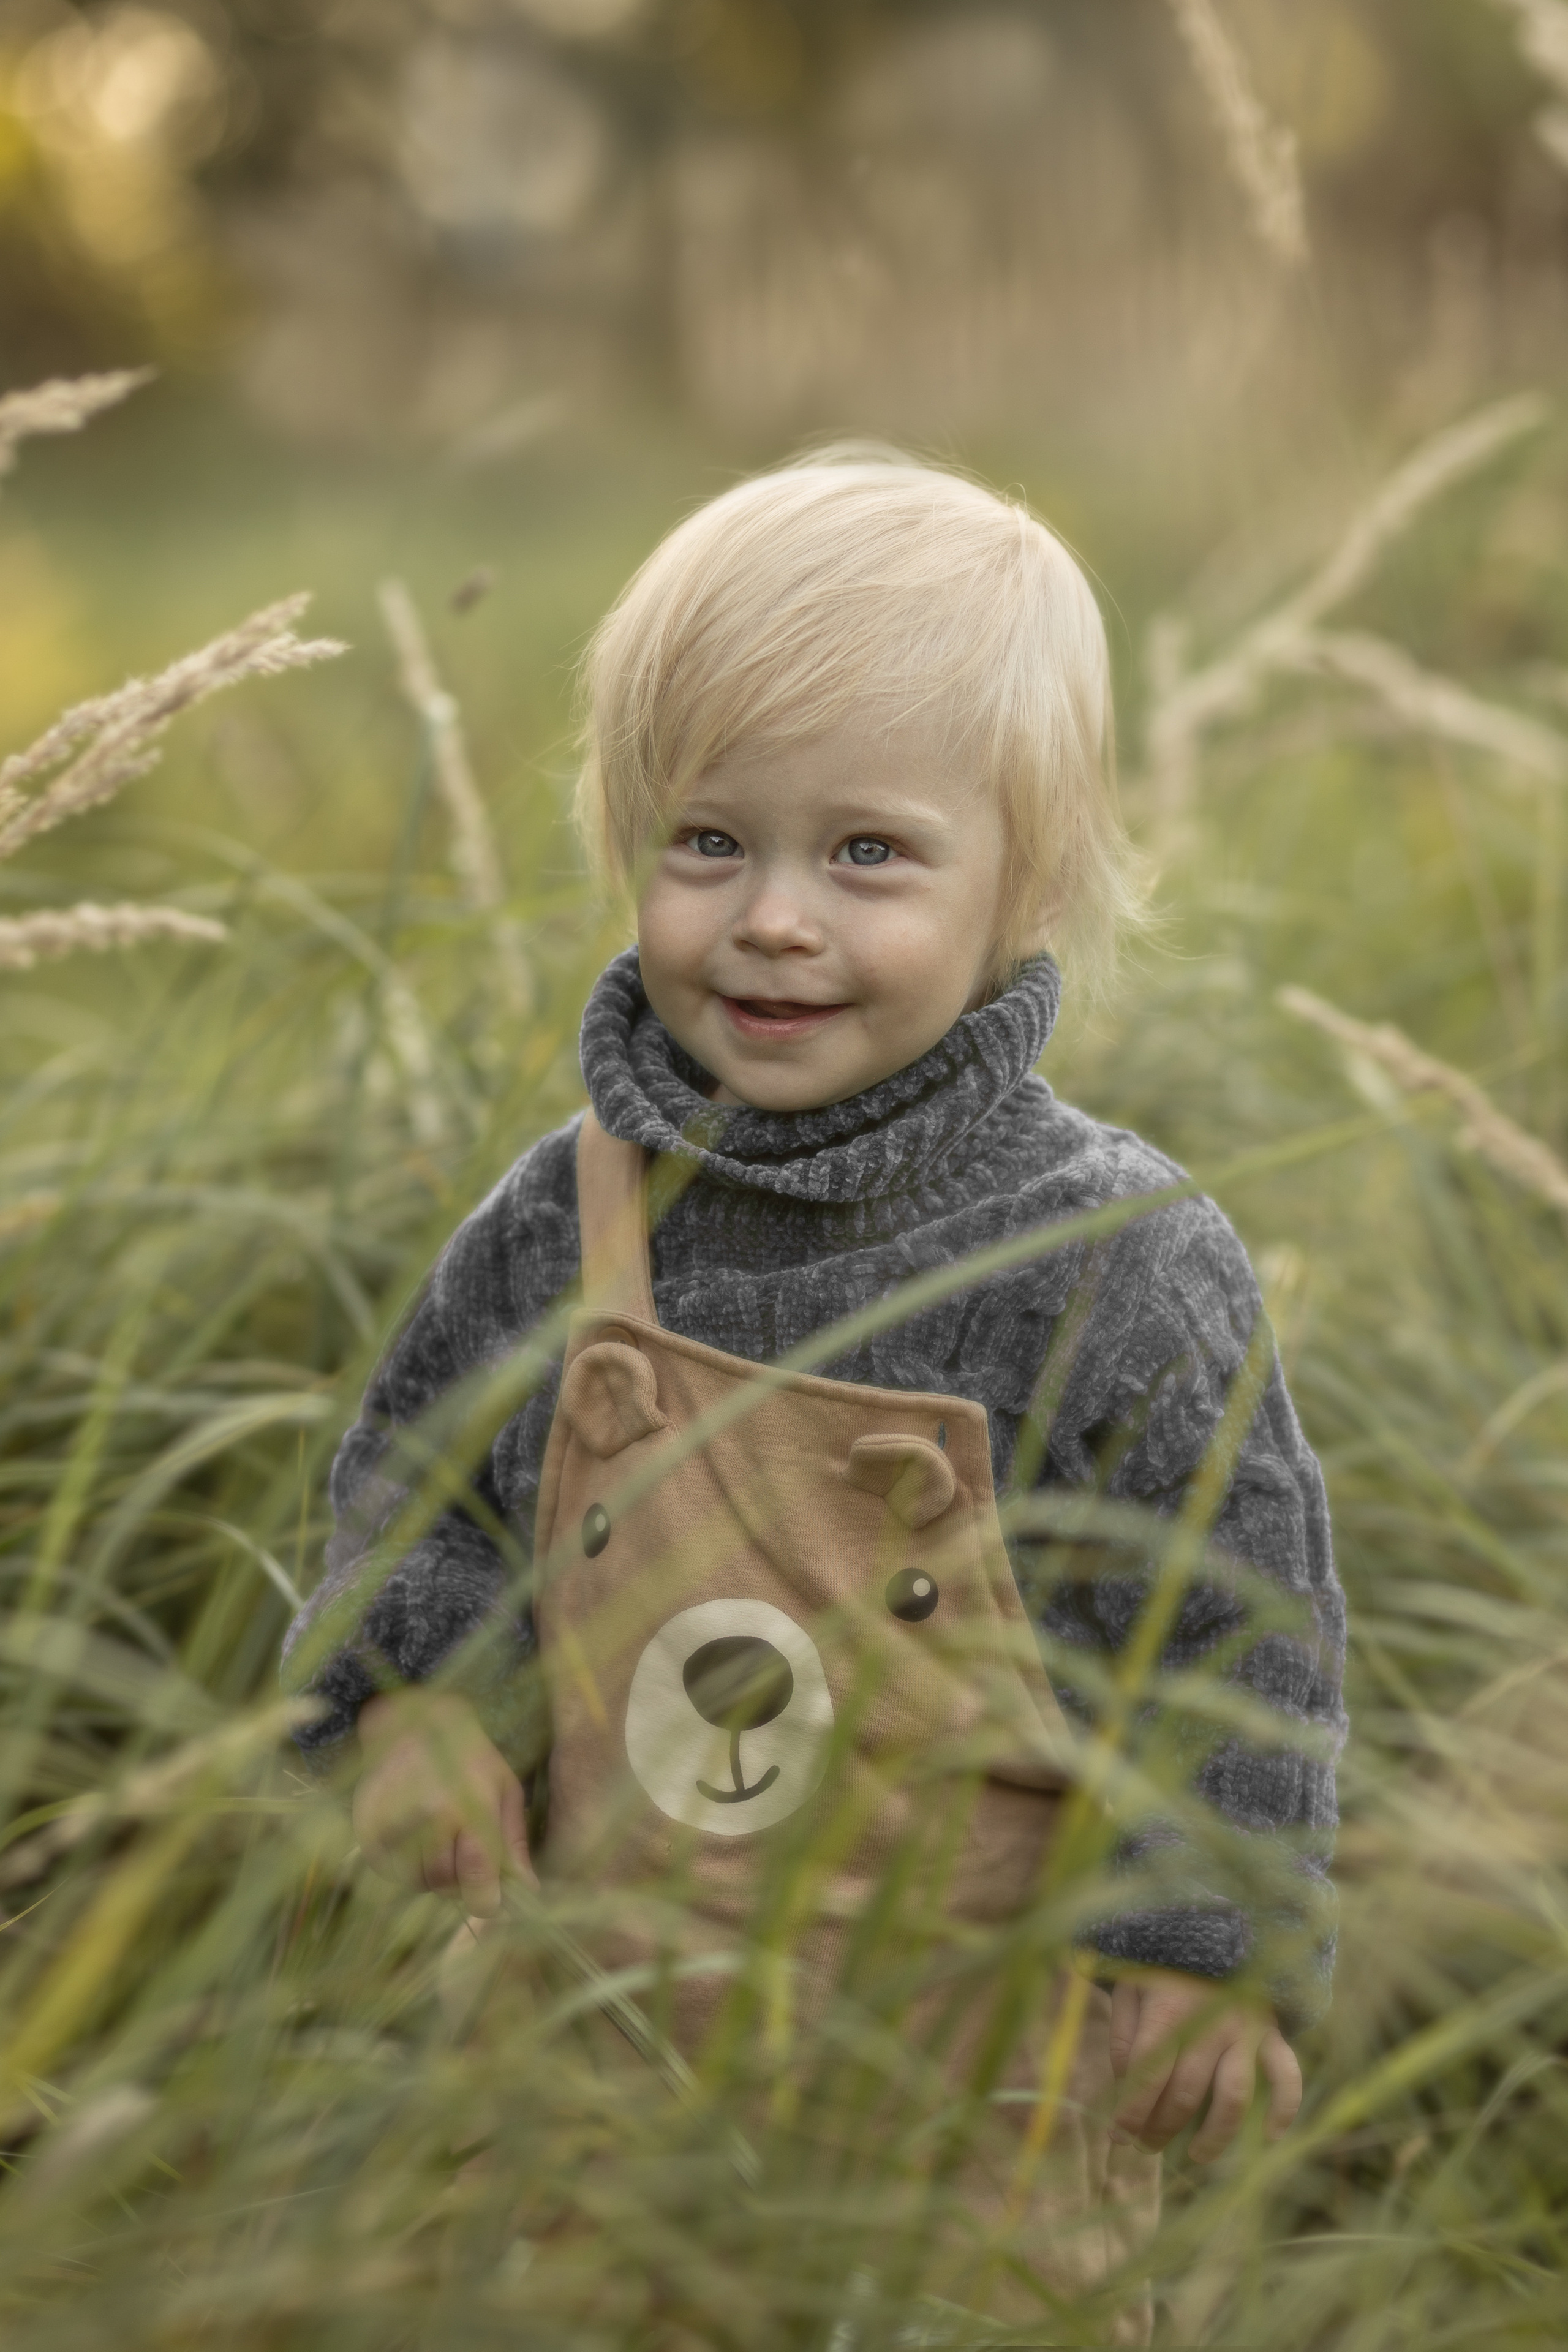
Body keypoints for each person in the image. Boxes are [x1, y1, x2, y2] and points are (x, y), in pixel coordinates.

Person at [282, 453, 1346, 2338]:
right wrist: (403, 1709)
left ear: (1027, 881)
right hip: (593, 2064)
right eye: (711, 842)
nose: (774, 918)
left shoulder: (1113, 1259)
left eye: (867, 853)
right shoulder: (568, 1221)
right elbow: (417, 1494)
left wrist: (1210, 1942)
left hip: (987, 2098)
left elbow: (1236, 1635)